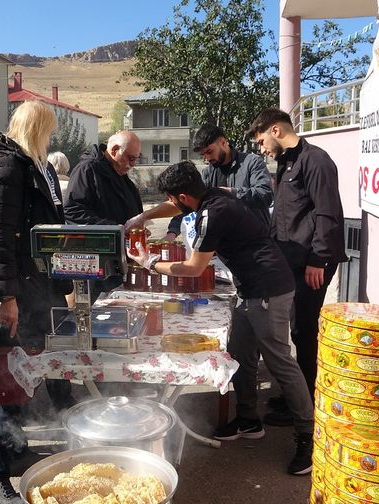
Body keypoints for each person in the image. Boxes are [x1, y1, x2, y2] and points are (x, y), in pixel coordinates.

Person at [124, 161, 314, 476]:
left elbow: (192, 268)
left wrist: (149, 262)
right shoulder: (210, 196)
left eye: (173, 198)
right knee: (240, 351)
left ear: (183, 195)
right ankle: (249, 418)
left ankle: (308, 435)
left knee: (280, 360)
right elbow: (174, 208)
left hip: (269, 289)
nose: (172, 205)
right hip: (249, 289)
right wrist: (142, 216)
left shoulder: (213, 214)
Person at [0, 101, 73, 504]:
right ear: (37, 128)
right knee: (10, 385)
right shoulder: (8, 166)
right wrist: (6, 297)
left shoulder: (27, 165)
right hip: (7, 297)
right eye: (49, 130)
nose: (51, 138)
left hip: (27, 291)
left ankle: (12, 450)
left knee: (26, 377)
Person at [247, 108, 347, 425]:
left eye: (261, 141)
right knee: (295, 329)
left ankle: (306, 407)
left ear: (275, 130)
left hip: (312, 263)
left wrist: (319, 259)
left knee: (304, 332)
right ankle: (297, 395)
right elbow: (286, 216)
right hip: (290, 261)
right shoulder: (287, 161)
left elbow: (328, 213)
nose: (261, 149)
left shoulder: (316, 160)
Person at [62, 130, 143, 300]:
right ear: (114, 150)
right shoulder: (87, 169)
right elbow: (72, 209)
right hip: (93, 262)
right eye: (130, 158)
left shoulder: (120, 173)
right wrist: (113, 228)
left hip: (115, 260)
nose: (133, 163)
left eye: (136, 158)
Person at [164, 123, 273, 240]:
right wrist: (173, 231)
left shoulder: (252, 162)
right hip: (224, 247)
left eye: (210, 152)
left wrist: (232, 192)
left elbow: (265, 195)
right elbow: (193, 203)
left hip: (255, 242)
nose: (207, 158)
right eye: (203, 154)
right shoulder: (208, 173)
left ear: (223, 142)